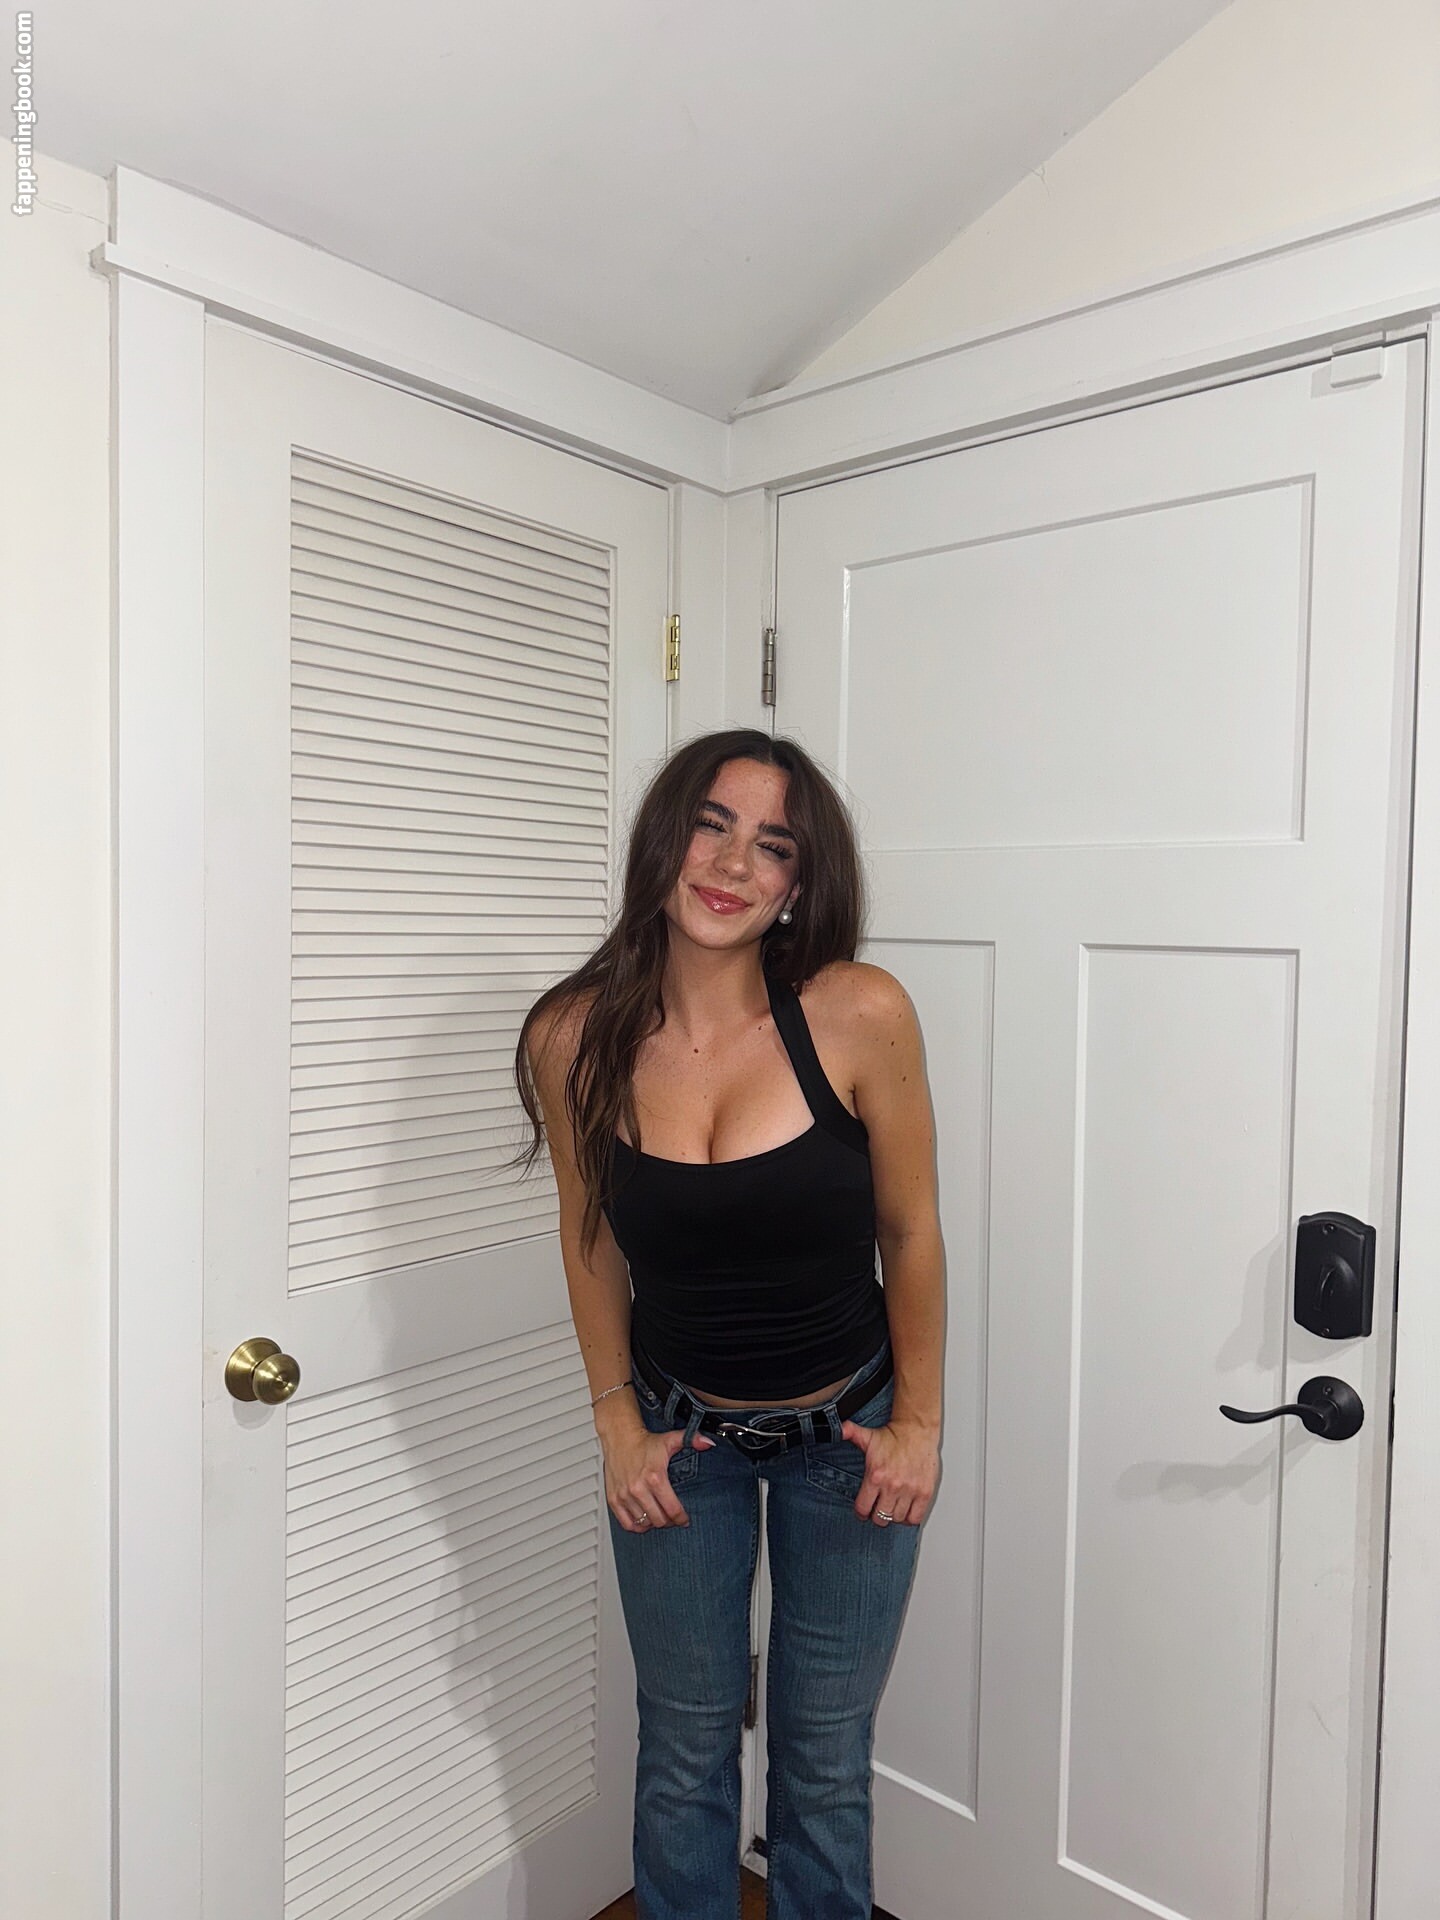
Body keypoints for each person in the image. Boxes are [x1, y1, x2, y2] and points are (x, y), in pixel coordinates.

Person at [513, 727, 945, 1920]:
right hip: (678, 1442)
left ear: (800, 882)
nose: (733, 864)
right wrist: (615, 1421)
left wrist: (918, 1422)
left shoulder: (858, 1013)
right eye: (711, 824)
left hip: (849, 1442)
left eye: (774, 845)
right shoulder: (572, 1037)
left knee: (824, 1757)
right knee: (683, 1744)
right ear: (665, 837)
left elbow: (909, 1230)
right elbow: (590, 1238)